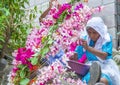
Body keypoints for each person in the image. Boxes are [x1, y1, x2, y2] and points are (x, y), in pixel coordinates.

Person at [73, 17, 120, 85]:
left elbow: (104, 56)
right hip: (91, 67)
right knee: (89, 78)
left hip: (106, 66)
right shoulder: (85, 39)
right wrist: (73, 56)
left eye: (94, 32)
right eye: (89, 32)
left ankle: (98, 81)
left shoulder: (106, 38)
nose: (91, 35)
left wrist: (88, 48)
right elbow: (77, 57)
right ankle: (95, 81)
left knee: (104, 80)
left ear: (100, 31)